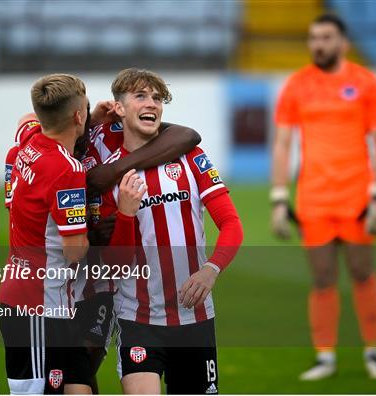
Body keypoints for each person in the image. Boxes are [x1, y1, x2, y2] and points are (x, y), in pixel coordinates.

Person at [4, 102, 202, 394]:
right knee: (61, 375)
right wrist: (94, 232)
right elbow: (28, 119)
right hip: (57, 283)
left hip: (97, 285)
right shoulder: (52, 151)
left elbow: (187, 136)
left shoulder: (100, 139)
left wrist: (113, 170)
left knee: (84, 359)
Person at [99, 68, 244, 394]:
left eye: (157, 97)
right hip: (139, 320)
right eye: (140, 96)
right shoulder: (110, 175)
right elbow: (114, 265)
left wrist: (211, 269)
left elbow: (232, 225)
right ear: (120, 108)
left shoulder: (192, 158)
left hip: (196, 319)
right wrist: (125, 213)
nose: (152, 103)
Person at [271, 14, 376, 380]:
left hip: (357, 196)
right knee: (322, 278)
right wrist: (279, 199)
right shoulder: (297, 85)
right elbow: (282, 143)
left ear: (343, 42)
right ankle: (325, 356)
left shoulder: (366, 82)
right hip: (314, 199)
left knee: (361, 271)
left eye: (326, 37)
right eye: (313, 38)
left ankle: (373, 351)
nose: (318, 44)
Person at [0, 74, 92, 394]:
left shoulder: (29, 143)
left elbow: (27, 120)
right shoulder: (67, 169)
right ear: (79, 116)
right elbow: (75, 252)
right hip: (40, 304)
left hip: (23, 295)